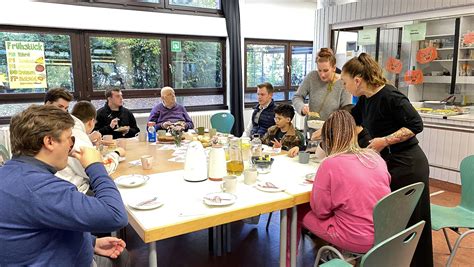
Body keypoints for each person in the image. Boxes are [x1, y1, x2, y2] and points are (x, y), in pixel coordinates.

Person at [0, 105, 128, 266]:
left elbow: (37, 225)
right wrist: (95, 165)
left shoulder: (11, 173)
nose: (71, 147)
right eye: (70, 139)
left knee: (121, 256)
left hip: (54, 252)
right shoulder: (40, 189)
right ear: (49, 141)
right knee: (123, 258)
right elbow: (115, 215)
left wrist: (91, 242)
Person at [341, 52, 433, 266]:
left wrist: (385, 141)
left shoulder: (391, 96)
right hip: (389, 164)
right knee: (392, 220)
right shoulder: (365, 100)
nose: (345, 87)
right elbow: (349, 119)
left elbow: (415, 125)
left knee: (410, 219)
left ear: (357, 80)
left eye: (345, 82)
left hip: (409, 165)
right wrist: (329, 128)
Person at [298, 110, 391, 256]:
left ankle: (290, 260)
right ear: (354, 132)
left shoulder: (329, 164)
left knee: (300, 213)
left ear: (327, 138)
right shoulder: (375, 157)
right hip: (385, 233)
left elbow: (321, 212)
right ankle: (341, 254)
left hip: (357, 238)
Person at [56, 101, 125, 194]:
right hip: (76, 190)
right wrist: (116, 153)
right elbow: (98, 170)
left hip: (64, 185)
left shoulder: (71, 128)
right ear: (91, 122)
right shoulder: (77, 135)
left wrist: (88, 139)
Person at [292, 48, 352, 140]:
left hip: (332, 134)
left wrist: (332, 123)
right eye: (319, 70)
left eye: (326, 70)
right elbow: (297, 97)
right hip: (311, 133)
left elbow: (346, 111)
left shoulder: (343, 83)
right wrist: (301, 107)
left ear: (334, 68)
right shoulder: (312, 77)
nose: (322, 74)